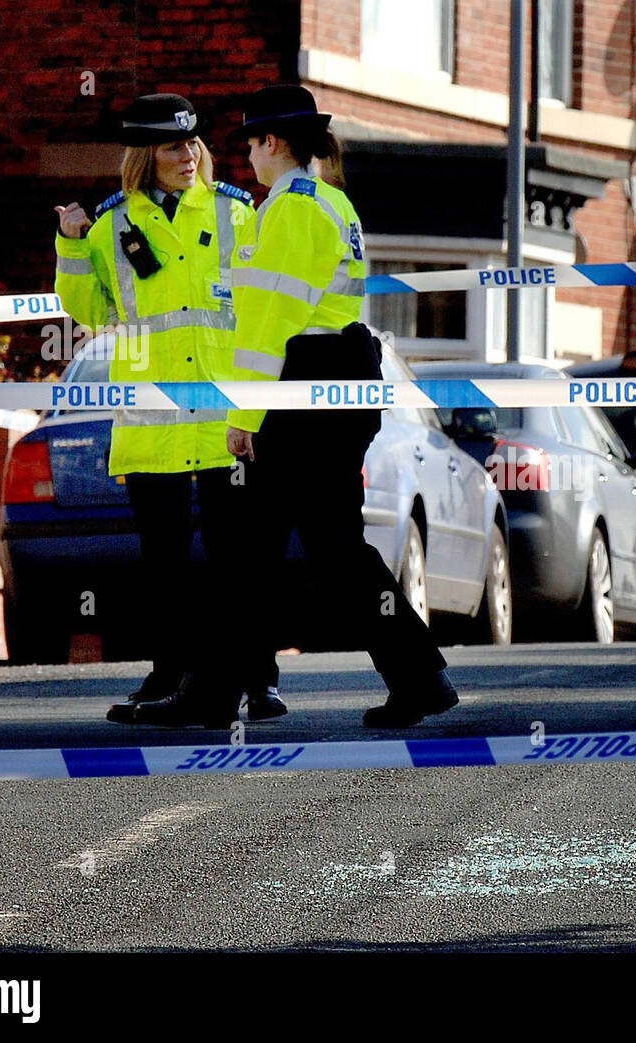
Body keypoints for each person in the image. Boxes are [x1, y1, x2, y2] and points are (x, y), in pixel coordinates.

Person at [184, 84, 457, 729]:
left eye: (250, 144)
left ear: (272, 142)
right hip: (333, 376)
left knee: (279, 546)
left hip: (303, 385)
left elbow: (267, 323)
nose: (247, 158)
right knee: (309, 547)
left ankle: (219, 691)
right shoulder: (329, 202)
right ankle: (416, 675)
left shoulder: (291, 211)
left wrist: (243, 417)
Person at [53, 93, 285, 727]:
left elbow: (269, 305)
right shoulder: (111, 225)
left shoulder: (239, 213)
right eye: (171, 147)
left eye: (192, 144)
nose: (187, 157)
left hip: (225, 415)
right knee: (165, 564)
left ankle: (256, 678)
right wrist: (71, 245)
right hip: (151, 420)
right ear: (143, 157)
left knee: (235, 556)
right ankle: (171, 677)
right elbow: (90, 311)